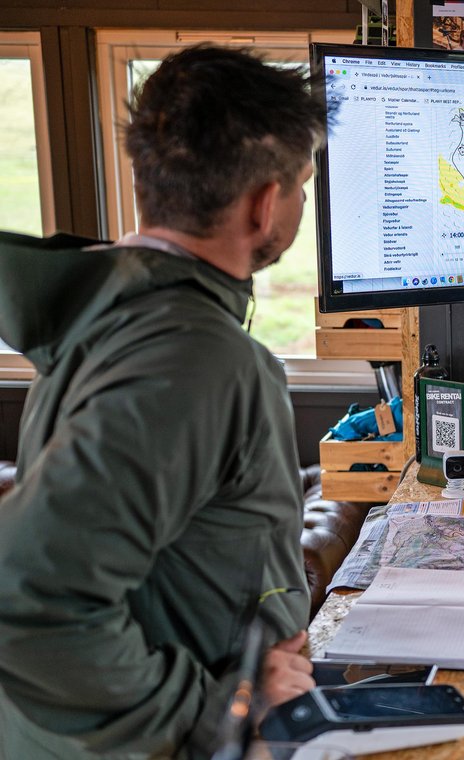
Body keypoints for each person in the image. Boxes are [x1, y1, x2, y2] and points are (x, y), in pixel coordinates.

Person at [0, 46, 326, 758]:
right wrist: (223, 708)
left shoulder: (116, 313)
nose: (300, 202)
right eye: (303, 184)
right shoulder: (196, 359)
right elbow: (23, 596)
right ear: (266, 202)